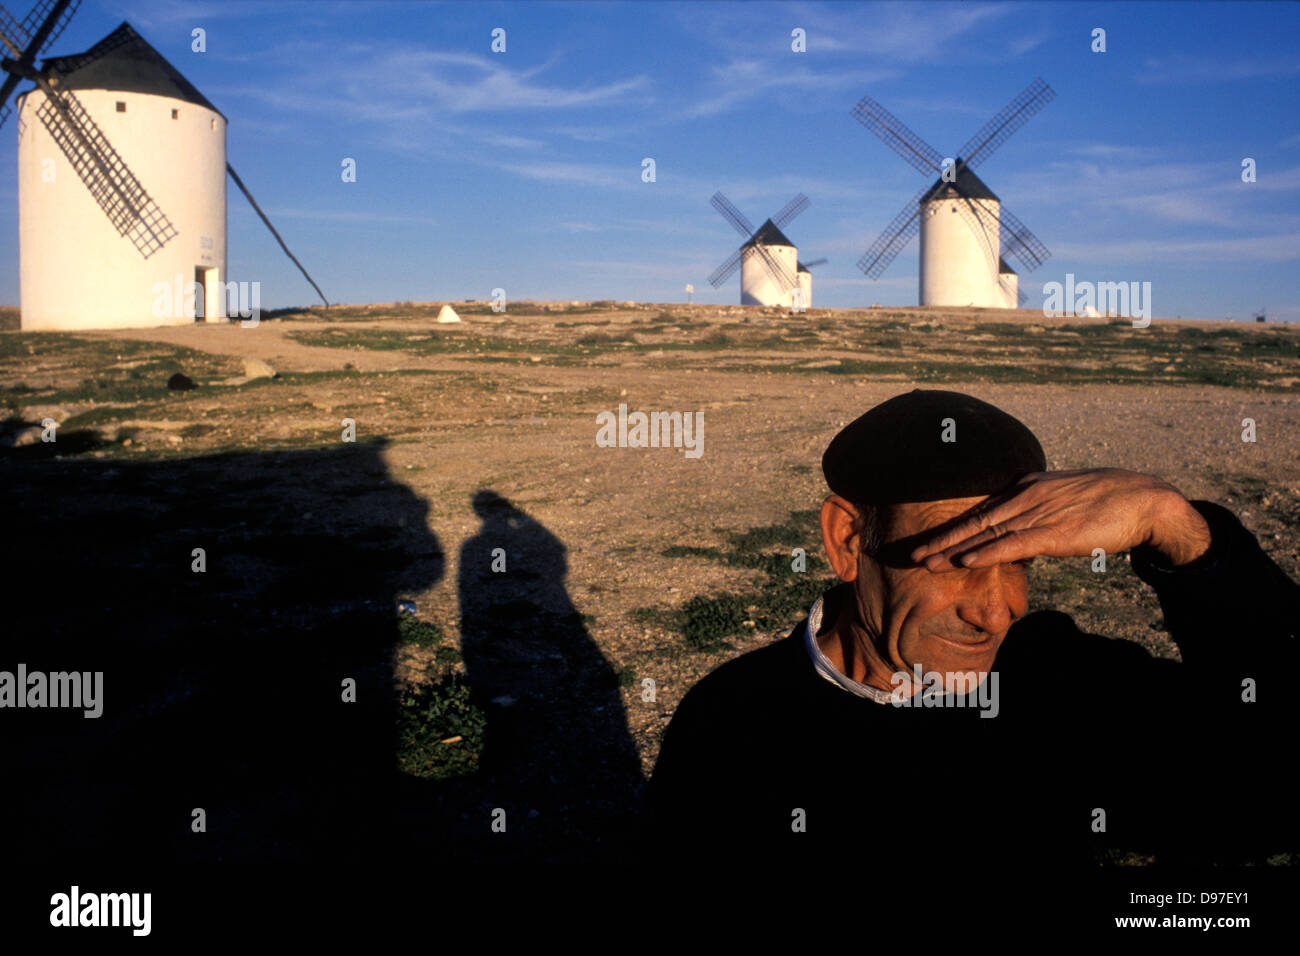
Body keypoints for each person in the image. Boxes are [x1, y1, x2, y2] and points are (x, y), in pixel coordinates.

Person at [644, 389, 1299, 866]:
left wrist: (1181, 534)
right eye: (959, 558)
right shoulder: (733, 723)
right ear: (847, 540)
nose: (997, 611)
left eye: (1021, 562)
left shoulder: (1061, 686)